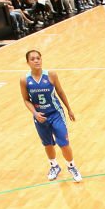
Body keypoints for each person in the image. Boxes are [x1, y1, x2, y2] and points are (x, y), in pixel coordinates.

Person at [20, 50, 82, 182]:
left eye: (38, 58)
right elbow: (26, 100)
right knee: (47, 144)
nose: (36, 61)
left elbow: (60, 91)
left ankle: (72, 166)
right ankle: (54, 166)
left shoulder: (51, 75)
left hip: (56, 113)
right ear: (28, 62)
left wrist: (69, 109)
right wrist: (35, 113)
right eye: (33, 59)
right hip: (40, 117)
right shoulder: (25, 80)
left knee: (63, 143)